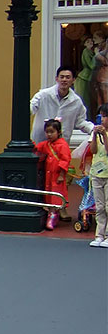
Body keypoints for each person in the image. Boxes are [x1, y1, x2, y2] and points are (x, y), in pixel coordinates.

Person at [30, 66, 94, 145]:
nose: (64, 80)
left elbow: (80, 122)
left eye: (67, 77)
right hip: (40, 142)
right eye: (62, 77)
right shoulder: (43, 95)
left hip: (60, 147)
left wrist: (93, 129)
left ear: (73, 80)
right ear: (57, 79)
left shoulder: (76, 101)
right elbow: (31, 108)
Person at [34, 118, 71, 230]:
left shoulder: (62, 145)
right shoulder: (46, 144)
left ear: (58, 132)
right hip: (49, 175)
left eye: (52, 132)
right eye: (47, 132)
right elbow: (37, 147)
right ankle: (53, 213)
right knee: (49, 193)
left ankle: (52, 215)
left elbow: (65, 160)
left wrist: (61, 174)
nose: (49, 134)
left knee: (55, 194)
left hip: (56, 175)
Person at [87, 105, 108, 248]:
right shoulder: (96, 132)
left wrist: (105, 135)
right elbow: (93, 150)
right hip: (96, 173)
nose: (103, 119)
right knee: (99, 206)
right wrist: (95, 135)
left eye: (105, 116)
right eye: (100, 116)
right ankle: (99, 235)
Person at [76, 36, 95, 115]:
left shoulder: (91, 52)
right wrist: (96, 55)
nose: (90, 43)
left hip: (90, 78)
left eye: (91, 41)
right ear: (84, 44)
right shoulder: (86, 51)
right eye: (88, 42)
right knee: (85, 100)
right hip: (84, 78)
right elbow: (92, 66)